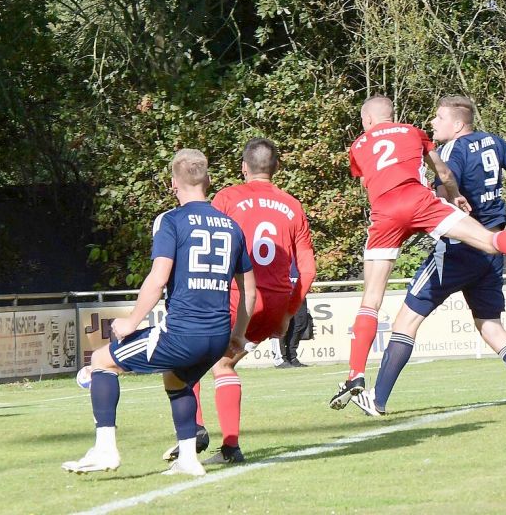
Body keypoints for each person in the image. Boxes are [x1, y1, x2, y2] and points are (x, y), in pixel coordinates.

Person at [330, 95, 506, 410]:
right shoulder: (493, 141)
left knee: (403, 319)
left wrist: (450, 197)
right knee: (489, 325)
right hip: (492, 249)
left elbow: (441, 182)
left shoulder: (449, 149)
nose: (433, 123)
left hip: (455, 250)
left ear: (457, 123)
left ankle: (374, 396)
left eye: (439, 118)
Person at [62, 149, 256, 477]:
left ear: (173, 184)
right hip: (218, 334)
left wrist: (130, 321)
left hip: (183, 332)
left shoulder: (171, 221)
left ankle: (105, 449)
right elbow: (250, 290)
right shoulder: (232, 226)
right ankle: (189, 458)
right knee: (176, 380)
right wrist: (238, 335)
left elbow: (158, 278)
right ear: (207, 181)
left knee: (100, 361)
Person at [164, 138, 316, 465]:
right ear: (276, 168)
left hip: (236, 296)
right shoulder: (293, 204)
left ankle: (196, 431)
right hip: (274, 302)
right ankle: (229, 448)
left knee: (182, 363)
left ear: (244, 167)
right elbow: (308, 268)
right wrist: (289, 312)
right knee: (224, 364)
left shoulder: (228, 197)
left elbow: (205, 239)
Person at [281, 297, 314, 367]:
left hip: (299, 294)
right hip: (283, 293)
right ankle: (283, 358)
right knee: (283, 325)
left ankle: (291, 357)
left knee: (300, 324)